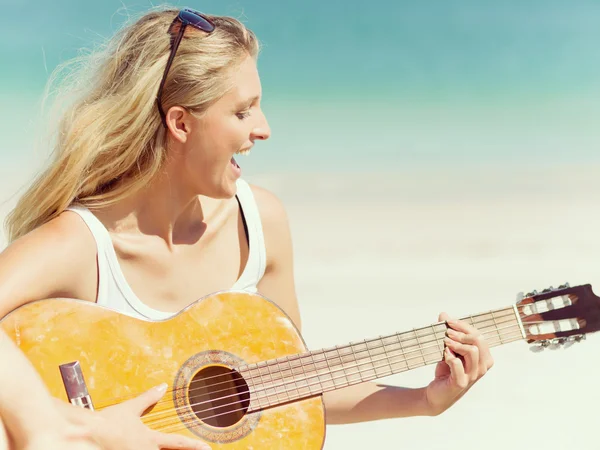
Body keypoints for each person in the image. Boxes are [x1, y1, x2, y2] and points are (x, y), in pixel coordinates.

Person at [0, 6, 494, 449]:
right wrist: (70, 427)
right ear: (181, 124)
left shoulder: (259, 224)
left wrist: (423, 400)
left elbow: (289, 387)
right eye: (241, 111)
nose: (264, 128)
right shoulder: (83, 244)